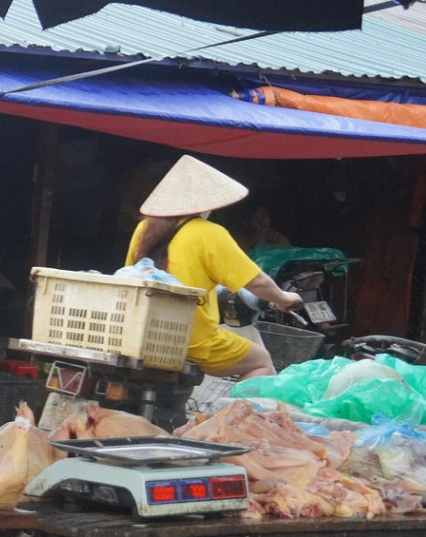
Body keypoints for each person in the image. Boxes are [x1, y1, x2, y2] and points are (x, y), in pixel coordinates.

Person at [126, 155, 302, 381]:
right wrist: (283, 298)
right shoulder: (209, 233)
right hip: (193, 340)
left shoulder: (144, 229)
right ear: (206, 203)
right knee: (261, 361)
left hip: (141, 333)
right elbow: (256, 282)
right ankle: (227, 415)